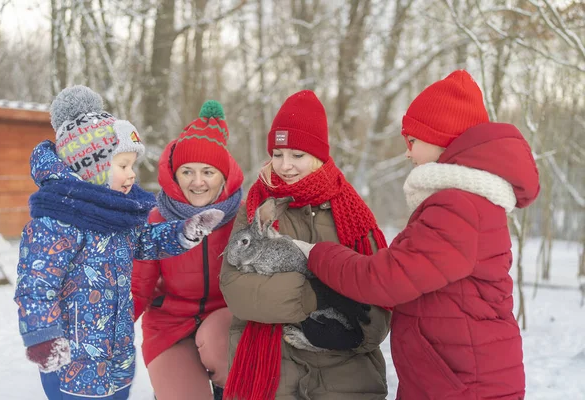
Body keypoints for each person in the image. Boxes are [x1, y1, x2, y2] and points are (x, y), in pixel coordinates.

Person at [294, 70, 540, 400]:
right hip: (452, 376)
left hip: (464, 384)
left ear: (443, 140)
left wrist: (316, 254)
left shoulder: (458, 206)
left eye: (412, 141)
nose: (407, 153)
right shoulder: (465, 202)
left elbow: (386, 279)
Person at [14, 86, 223, 400]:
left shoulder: (116, 216)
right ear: (94, 166)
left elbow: (146, 241)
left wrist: (184, 231)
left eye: (132, 166)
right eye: (123, 165)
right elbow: (35, 285)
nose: (131, 175)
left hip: (116, 355)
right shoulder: (56, 222)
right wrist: (43, 337)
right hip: (72, 362)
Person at [220, 90, 392, 400]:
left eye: (297, 155)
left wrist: (354, 337)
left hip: (344, 368)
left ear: (319, 156)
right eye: (277, 154)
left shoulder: (352, 214)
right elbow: (236, 289)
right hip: (271, 366)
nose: (285, 166)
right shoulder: (256, 209)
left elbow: (378, 298)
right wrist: (316, 296)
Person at [131, 100, 244, 400]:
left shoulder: (242, 216)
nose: (197, 182)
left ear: (223, 175)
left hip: (224, 321)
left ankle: (227, 390)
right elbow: (137, 287)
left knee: (221, 349)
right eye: (187, 172)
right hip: (169, 323)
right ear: (174, 175)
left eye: (208, 172)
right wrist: (106, 329)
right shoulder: (156, 218)